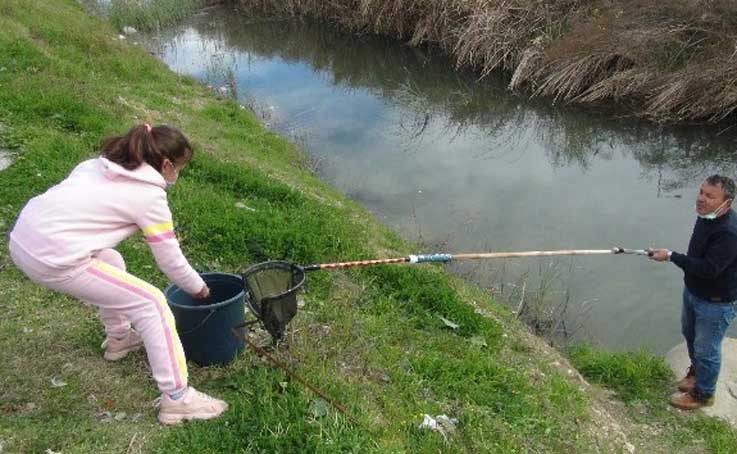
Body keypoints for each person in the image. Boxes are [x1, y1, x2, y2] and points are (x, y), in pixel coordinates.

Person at [8, 123, 228, 425]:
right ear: (165, 165)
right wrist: (199, 289)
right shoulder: (148, 196)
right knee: (151, 303)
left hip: (24, 238)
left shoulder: (96, 166)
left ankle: (119, 339)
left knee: (110, 259)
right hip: (53, 258)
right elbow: (171, 262)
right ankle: (178, 399)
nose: (176, 175)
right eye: (178, 168)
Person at [649, 174, 737, 410]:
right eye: (701, 192)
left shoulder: (728, 233)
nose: (701, 199)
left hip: (717, 302)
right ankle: (697, 373)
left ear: (726, 203)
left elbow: (709, 269)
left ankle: (704, 394)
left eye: (710, 196)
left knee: (707, 349)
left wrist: (671, 256)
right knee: (690, 334)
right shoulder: (705, 217)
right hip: (694, 291)